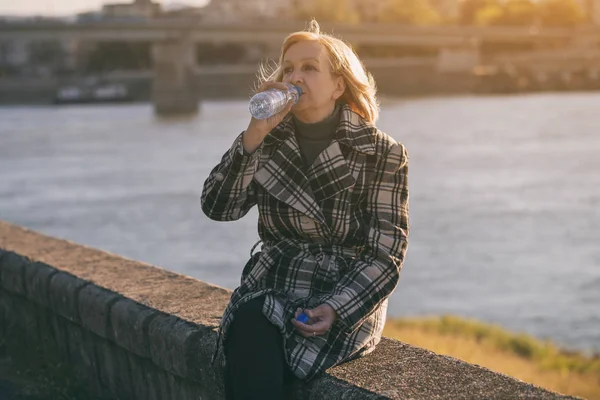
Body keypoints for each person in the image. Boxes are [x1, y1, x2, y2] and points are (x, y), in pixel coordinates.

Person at [201, 19, 409, 400]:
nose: (296, 77)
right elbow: (218, 208)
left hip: (344, 292)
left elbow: (386, 255)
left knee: (256, 342)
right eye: (289, 68)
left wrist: (336, 307)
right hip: (274, 282)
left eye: (310, 68)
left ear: (338, 85)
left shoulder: (382, 152)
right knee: (254, 325)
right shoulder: (266, 138)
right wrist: (253, 136)